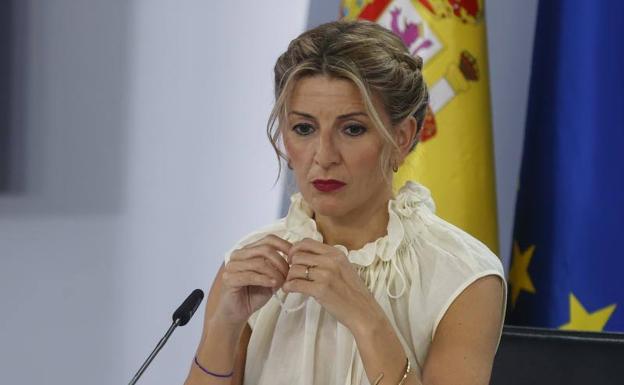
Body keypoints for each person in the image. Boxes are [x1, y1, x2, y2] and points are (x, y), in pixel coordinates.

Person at [184, 20, 506, 385]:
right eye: (304, 129)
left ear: (401, 138)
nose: (323, 156)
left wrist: (365, 317)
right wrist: (222, 328)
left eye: (352, 129)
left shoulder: (463, 276)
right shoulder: (247, 263)